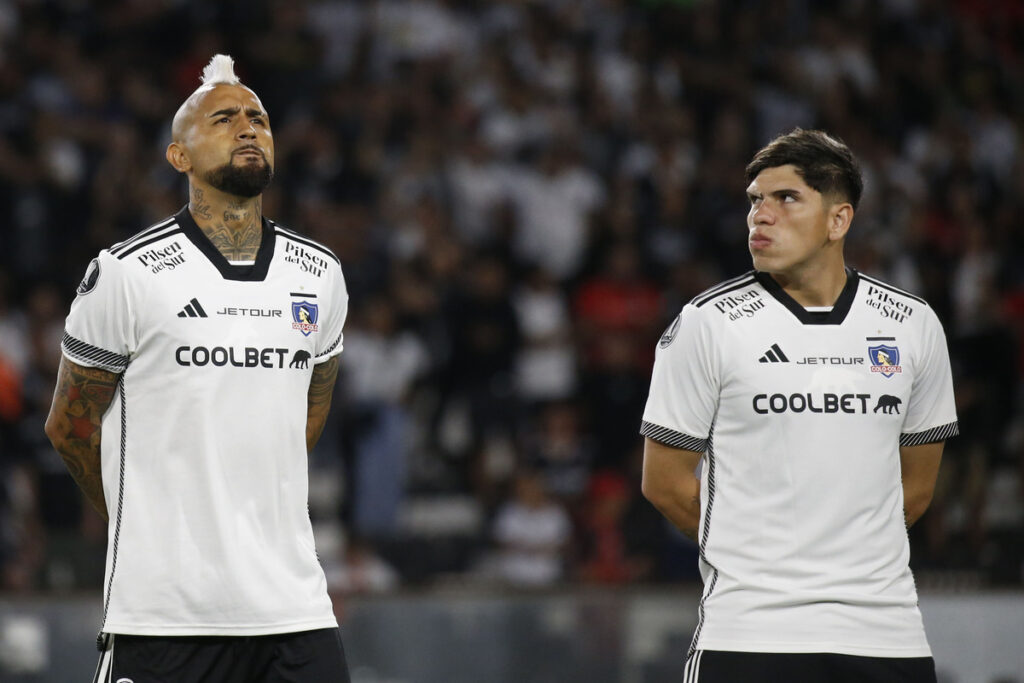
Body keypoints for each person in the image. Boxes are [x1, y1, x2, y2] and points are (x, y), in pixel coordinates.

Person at [44, 55, 350, 682]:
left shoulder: (320, 275)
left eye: (258, 118)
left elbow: (306, 419)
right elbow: (70, 427)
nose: (247, 127)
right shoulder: (127, 273)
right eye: (223, 118)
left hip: (294, 612)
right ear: (178, 157)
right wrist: (151, 518)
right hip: (164, 617)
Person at [640, 128, 958, 683]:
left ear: (839, 220)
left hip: (886, 635)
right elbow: (664, 482)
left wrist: (844, 551)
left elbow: (918, 486)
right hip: (749, 632)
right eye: (755, 200)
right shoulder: (706, 324)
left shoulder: (912, 324)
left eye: (786, 198)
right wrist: (764, 560)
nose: (760, 215)